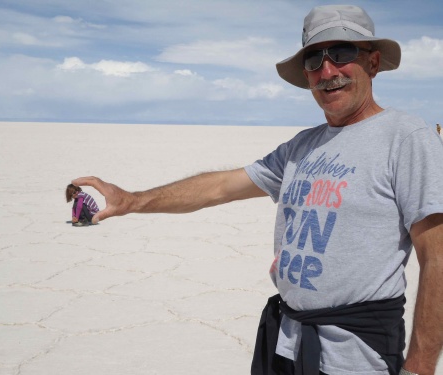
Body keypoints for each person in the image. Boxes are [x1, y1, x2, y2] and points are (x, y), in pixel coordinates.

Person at [72, 5, 443, 375]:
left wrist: (420, 368)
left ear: (373, 62)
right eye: (314, 59)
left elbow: (438, 257)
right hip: (288, 341)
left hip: (357, 356)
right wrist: (134, 200)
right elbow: (220, 186)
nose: (328, 71)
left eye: (342, 54)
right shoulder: (302, 146)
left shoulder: (406, 137)